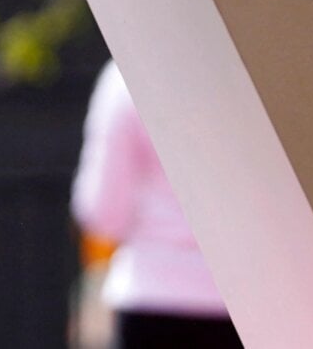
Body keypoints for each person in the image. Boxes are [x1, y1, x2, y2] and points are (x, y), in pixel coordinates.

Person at [72, 60, 242, 348]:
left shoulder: (125, 77)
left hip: (152, 297)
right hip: (248, 302)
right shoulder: (251, 75)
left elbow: (102, 213)